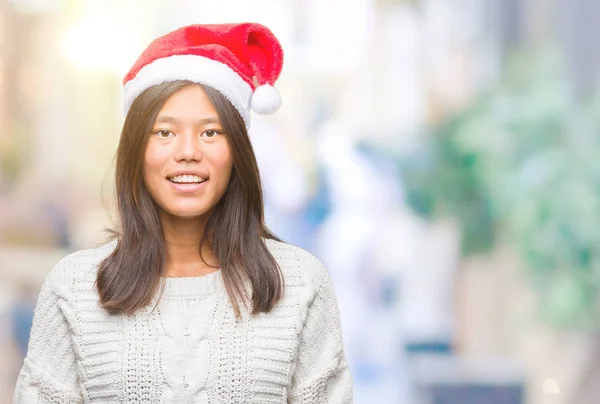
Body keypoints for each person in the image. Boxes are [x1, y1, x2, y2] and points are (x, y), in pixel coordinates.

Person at [13, 22, 353, 403]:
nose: (188, 151)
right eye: (164, 133)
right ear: (136, 152)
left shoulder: (301, 283)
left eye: (211, 132)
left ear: (237, 152)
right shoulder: (74, 287)